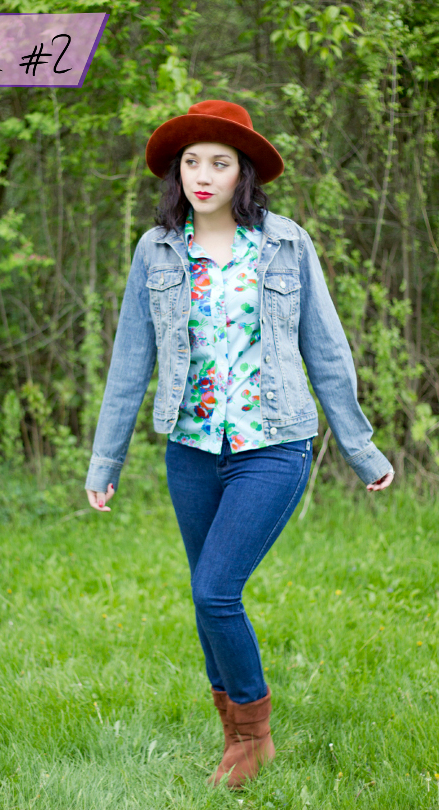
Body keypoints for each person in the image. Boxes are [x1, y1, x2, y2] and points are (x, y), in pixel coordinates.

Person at [84, 100, 394, 789]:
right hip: (192, 449)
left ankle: (255, 735)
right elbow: (130, 359)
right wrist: (106, 460)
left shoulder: (286, 244)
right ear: (178, 172)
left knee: (216, 589)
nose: (203, 175)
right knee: (206, 598)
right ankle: (233, 737)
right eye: (191, 162)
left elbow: (327, 350)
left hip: (273, 444)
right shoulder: (156, 250)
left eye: (218, 163)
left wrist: (360, 449)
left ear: (242, 173)